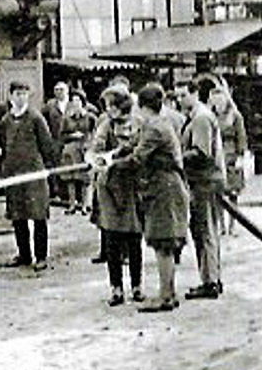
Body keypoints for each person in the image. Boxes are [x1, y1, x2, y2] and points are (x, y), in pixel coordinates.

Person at [106, 82, 190, 312]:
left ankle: (165, 297)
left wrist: (111, 165)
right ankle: (168, 294)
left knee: (163, 243)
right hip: (164, 189)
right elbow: (132, 146)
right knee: (164, 243)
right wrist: (111, 155)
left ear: (142, 107)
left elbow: (137, 158)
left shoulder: (155, 127)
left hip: (166, 190)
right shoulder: (154, 124)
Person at [88, 84, 143, 306]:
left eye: (112, 105)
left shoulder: (138, 123)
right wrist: (97, 159)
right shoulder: (105, 126)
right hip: (109, 187)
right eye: (107, 106)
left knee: (134, 238)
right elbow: (95, 150)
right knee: (111, 238)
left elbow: (140, 147)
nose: (109, 109)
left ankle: (137, 286)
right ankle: (116, 288)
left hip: (131, 185)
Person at [174, 80, 226, 300]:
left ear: (195, 94)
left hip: (205, 181)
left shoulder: (201, 118)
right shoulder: (195, 116)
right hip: (203, 181)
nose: (180, 100)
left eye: (183, 95)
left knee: (204, 230)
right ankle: (212, 277)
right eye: (177, 96)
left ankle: (210, 281)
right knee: (205, 230)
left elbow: (201, 152)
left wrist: (175, 157)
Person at [0, 80, 56, 271]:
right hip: (14, 175)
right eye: (17, 94)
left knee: (38, 215)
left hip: (34, 174)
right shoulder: (5, 121)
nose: (21, 97)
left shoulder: (36, 118)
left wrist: (47, 170)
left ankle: (41, 256)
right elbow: (4, 147)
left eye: (24, 94)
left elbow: (47, 145)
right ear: (11, 96)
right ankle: (24, 254)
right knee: (18, 216)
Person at [209, 84, 248, 235]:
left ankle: (232, 225)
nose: (217, 103)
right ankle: (221, 225)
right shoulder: (211, 115)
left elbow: (241, 137)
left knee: (233, 194)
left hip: (231, 155)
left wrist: (241, 156)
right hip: (217, 156)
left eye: (220, 98)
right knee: (218, 193)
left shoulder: (235, 116)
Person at [59, 89, 96, 214]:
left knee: (85, 178)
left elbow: (96, 133)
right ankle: (72, 204)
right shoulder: (67, 118)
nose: (76, 104)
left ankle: (85, 205)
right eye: (73, 102)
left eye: (78, 101)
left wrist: (89, 143)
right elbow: (61, 135)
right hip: (70, 150)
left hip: (85, 149)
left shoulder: (90, 117)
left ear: (83, 102)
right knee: (71, 178)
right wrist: (72, 136)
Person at [42, 81, 70, 202]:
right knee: (55, 165)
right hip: (56, 140)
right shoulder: (51, 105)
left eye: (61, 90)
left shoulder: (73, 103)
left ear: (67, 91)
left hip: (70, 140)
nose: (59, 92)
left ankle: (72, 195)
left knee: (70, 165)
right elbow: (42, 119)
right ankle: (57, 192)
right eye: (56, 90)